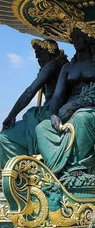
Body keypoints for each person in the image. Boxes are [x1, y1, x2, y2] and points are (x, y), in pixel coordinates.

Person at [35, 23, 95, 179]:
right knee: (42, 127)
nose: (74, 39)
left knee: (81, 118)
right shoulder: (67, 68)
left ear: (87, 39)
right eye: (73, 37)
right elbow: (58, 96)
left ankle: (79, 164)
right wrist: (53, 114)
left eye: (78, 36)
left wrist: (77, 104)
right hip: (68, 109)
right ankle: (56, 167)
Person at [0, 39, 67, 168]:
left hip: (49, 112)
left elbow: (30, 92)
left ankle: (21, 170)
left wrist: (11, 115)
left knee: (4, 137)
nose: (37, 58)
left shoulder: (52, 65)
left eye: (40, 55)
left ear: (49, 52)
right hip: (51, 110)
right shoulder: (63, 65)